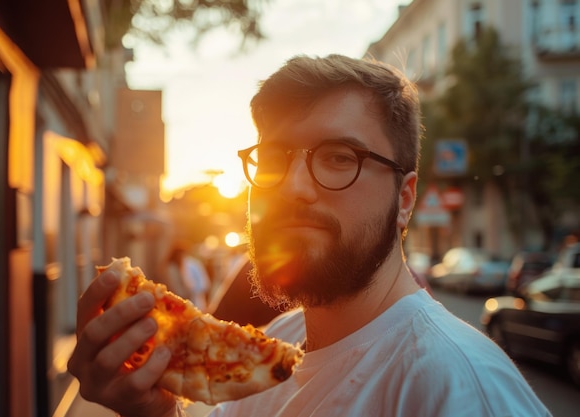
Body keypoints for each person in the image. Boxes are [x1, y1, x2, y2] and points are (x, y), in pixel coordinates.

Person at [67, 54, 551, 417]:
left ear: (404, 199)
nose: (294, 187)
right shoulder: (280, 345)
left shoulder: (459, 390)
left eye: (340, 157)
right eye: (275, 158)